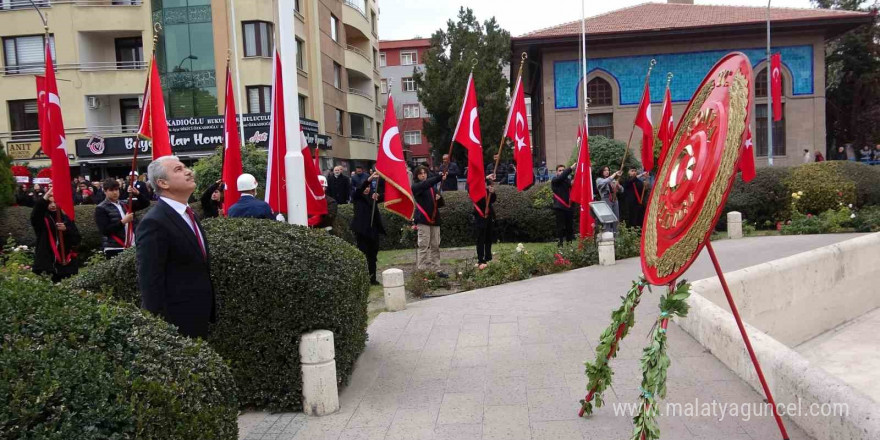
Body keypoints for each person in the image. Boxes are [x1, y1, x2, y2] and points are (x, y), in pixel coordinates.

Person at [137, 155, 215, 339]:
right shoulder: (154, 222)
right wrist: (159, 327)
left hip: (198, 314)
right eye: (178, 170)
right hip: (174, 323)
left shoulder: (189, 214)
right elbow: (150, 279)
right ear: (162, 183)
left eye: (185, 167)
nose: (189, 171)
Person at [31, 187, 81, 282]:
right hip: (47, 263)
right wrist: (45, 197)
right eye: (49, 203)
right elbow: (35, 214)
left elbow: (77, 239)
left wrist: (66, 230)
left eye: (55, 202)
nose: (53, 205)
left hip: (66, 264)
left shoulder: (66, 218)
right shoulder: (42, 219)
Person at [95, 178, 150, 258]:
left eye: (117, 190)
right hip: (114, 247)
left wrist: (137, 194)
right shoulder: (101, 208)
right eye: (111, 190)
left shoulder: (125, 204)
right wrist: (123, 222)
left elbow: (145, 203)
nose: (115, 193)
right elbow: (105, 230)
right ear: (105, 191)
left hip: (132, 244)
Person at [412, 165, 448, 277]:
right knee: (423, 246)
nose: (423, 175)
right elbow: (426, 184)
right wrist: (439, 177)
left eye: (425, 173)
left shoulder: (433, 188)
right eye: (420, 173)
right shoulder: (416, 186)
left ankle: (437, 269)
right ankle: (422, 271)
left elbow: (440, 204)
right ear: (417, 176)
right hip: (423, 220)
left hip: (435, 219)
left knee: (435, 245)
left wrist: (439, 198)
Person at [351, 172, 384, 285]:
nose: (367, 189)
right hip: (362, 231)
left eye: (369, 187)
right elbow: (360, 189)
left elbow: (385, 196)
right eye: (366, 187)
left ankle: (372, 278)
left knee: (372, 256)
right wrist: (369, 179)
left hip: (373, 231)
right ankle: (364, 279)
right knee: (363, 255)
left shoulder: (373, 198)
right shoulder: (357, 197)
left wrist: (378, 195)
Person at [473, 174, 497, 269]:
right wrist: (486, 177)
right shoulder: (474, 190)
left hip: (488, 216)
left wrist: (493, 192)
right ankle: (480, 259)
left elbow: (493, 200)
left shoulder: (487, 190)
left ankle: (488, 257)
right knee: (480, 239)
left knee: (488, 238)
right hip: (480, 216)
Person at [551, 164, 576, 246]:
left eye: (563, 170)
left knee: (570, 227)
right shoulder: (555, 180)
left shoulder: (567, 180)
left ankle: (569, 244)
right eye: (560, 170)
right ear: (556, 172)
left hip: (569, 207)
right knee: (560, 227)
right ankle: (560, 243)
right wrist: (570, 168)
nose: (562, 172)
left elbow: (573, 183)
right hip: (560, 207)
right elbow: (561, 177)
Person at [596, 166, 624, 234]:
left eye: (608, 170)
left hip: (614, 199)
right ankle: (607, 234)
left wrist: (618, 186)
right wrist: (615, 174)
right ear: (601, 172)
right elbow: (605, 181)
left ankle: (616, 236)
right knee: (608, 218)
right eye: (605, 170)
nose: (607, 171)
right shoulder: (599, 180)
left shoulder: (613, 180)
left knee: (616, 218)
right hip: (606, 199)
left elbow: (622, 190)